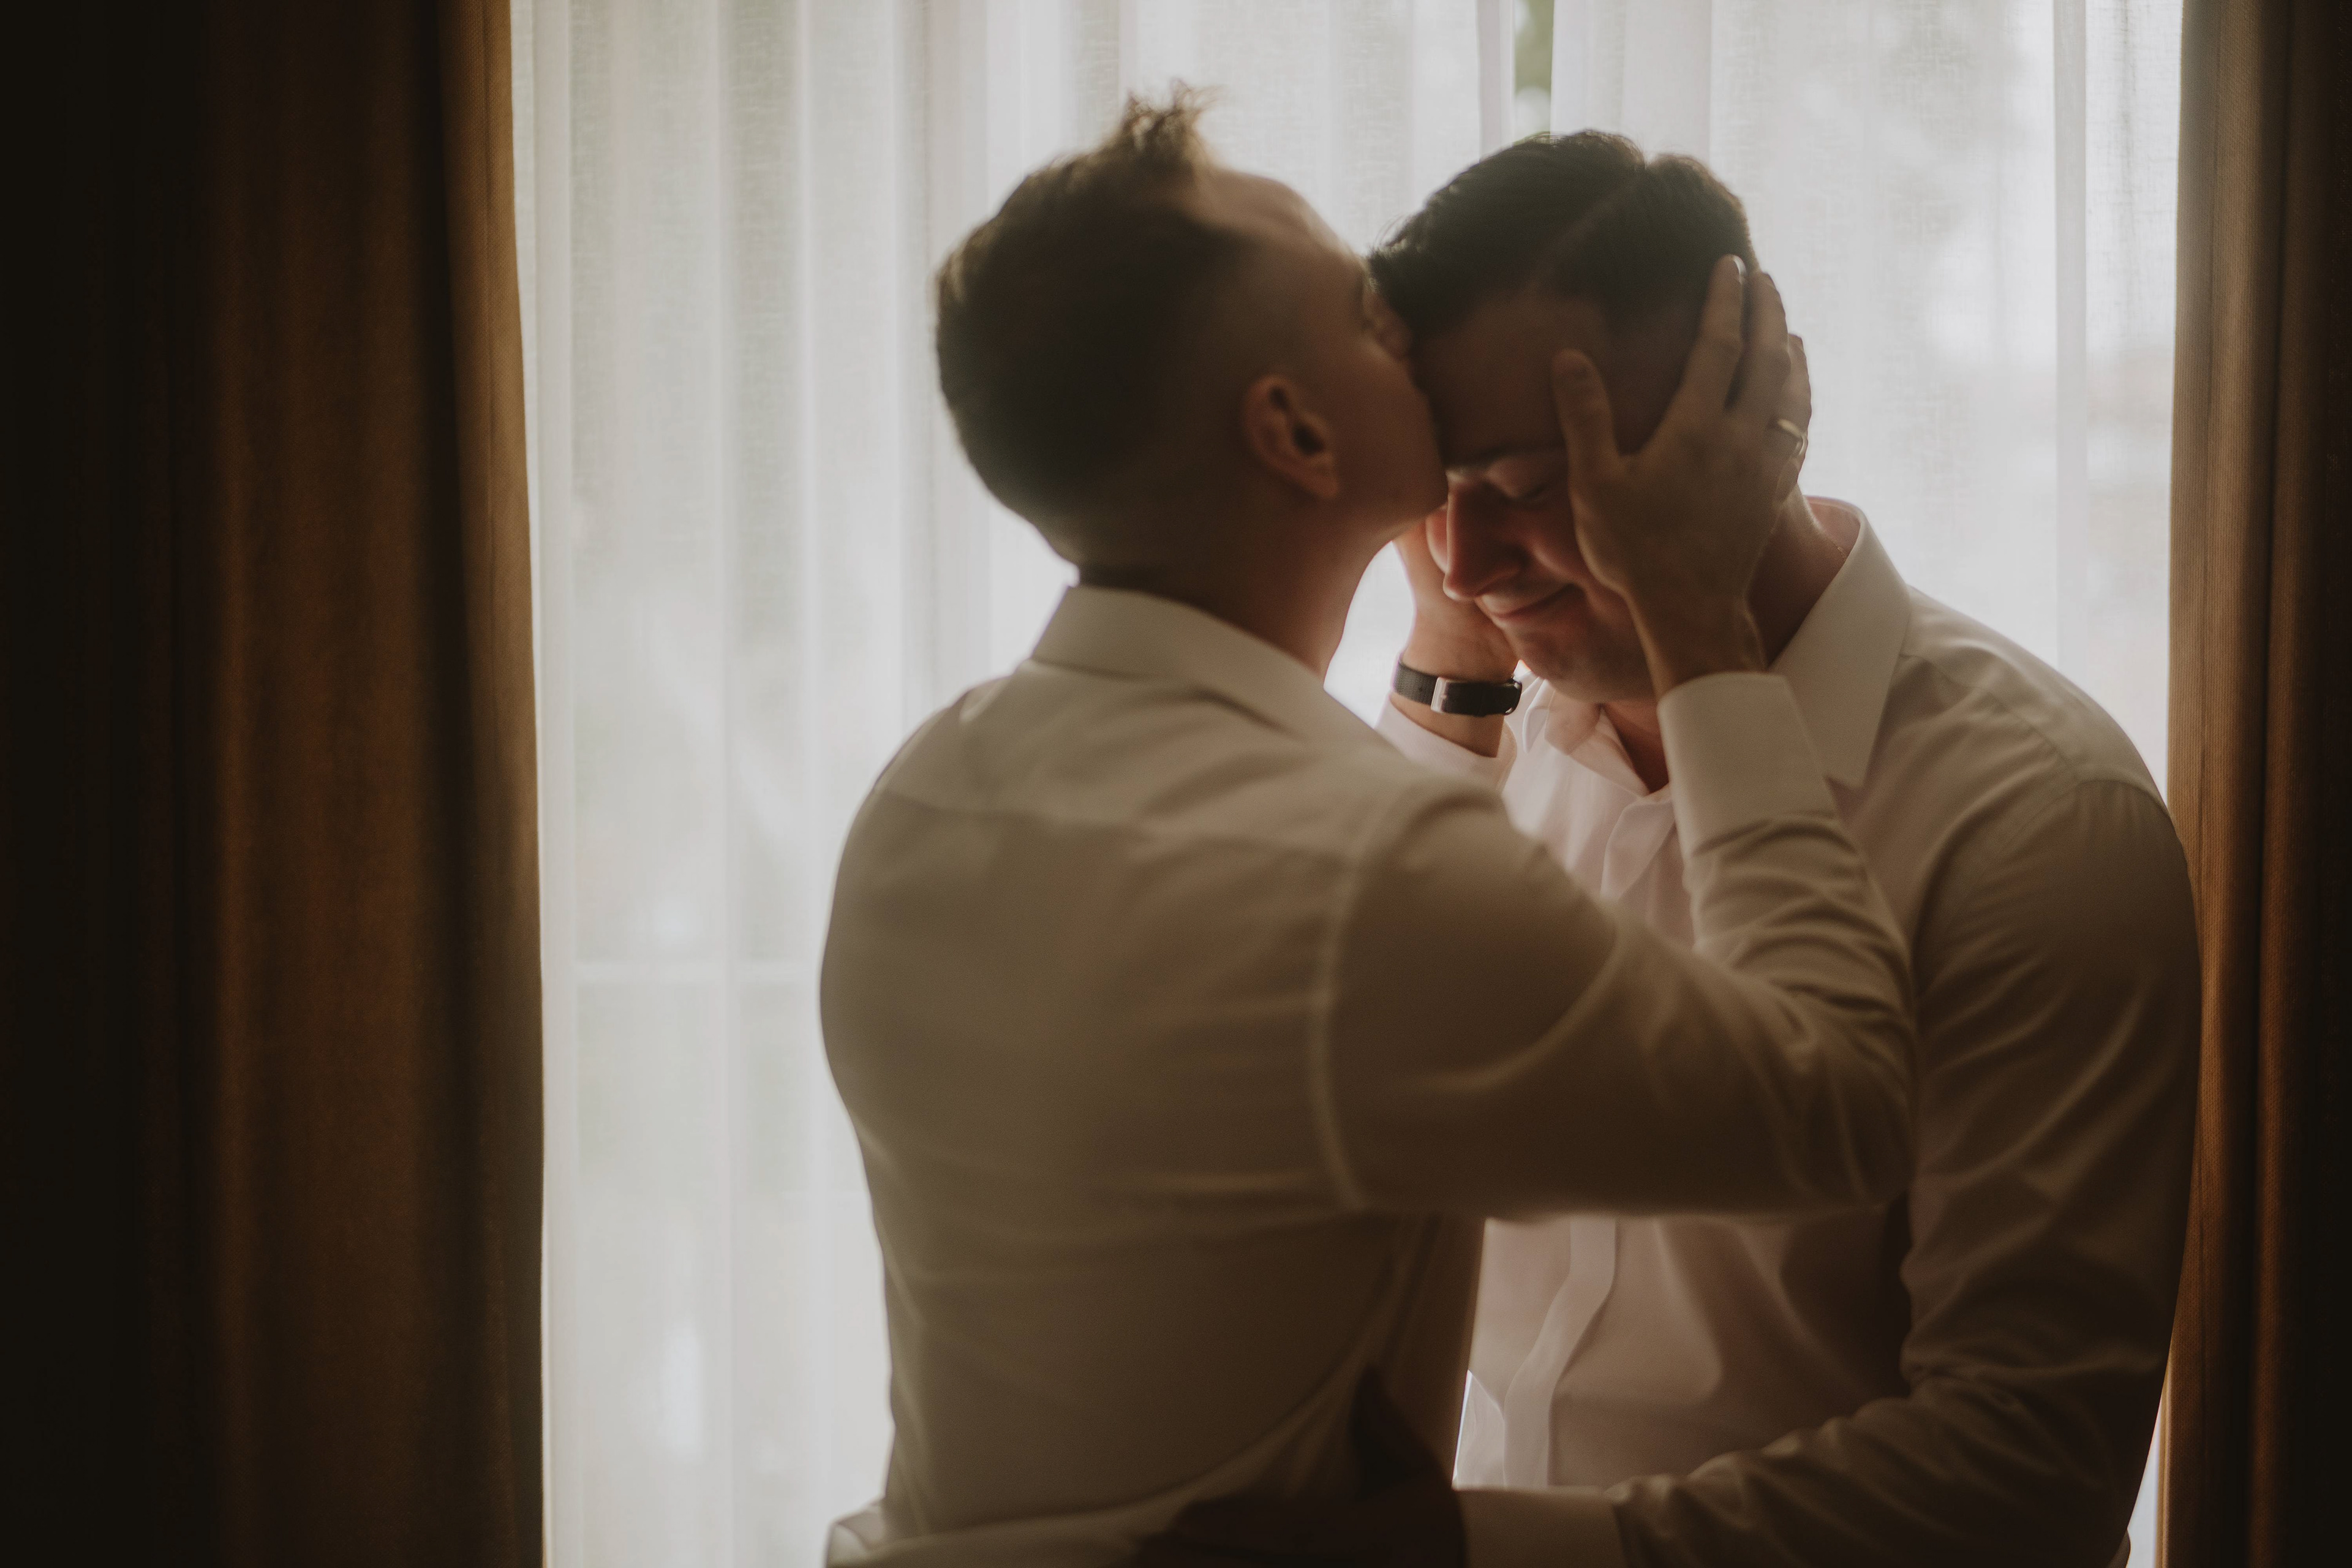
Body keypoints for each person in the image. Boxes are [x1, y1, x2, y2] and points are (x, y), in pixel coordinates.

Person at [821, 94, 1917, 1567]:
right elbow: (1841, 1103)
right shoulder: (1360, 865)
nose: (1406, 327)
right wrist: (1700, 618)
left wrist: (1450, 650)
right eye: (1362, 309)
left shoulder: (927, 790)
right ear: (1293, 428)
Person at [1153, 135, 2198, 1568]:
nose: (1463, 558)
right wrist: (1454, 659)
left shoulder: (2035, 821)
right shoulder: (1479, 739)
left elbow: (2027, 1469)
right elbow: (1313, 1111)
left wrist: (1470, 1551)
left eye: (1529, 483)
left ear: (1757, 423)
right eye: (1433, 485)